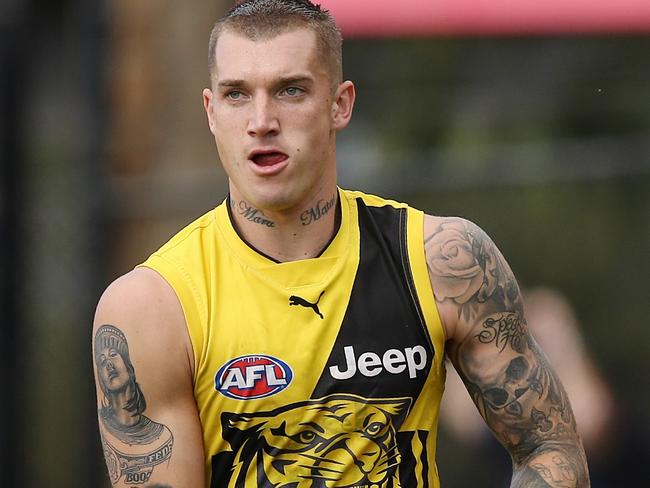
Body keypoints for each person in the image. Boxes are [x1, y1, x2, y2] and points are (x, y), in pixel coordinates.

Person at [92, 1, 590, 486]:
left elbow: (548, 448)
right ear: (210, 111)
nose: (261, 120)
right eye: (237, 94)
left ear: (340, 103)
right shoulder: (152, 306)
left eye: (290, 91)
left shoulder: (443, 261)